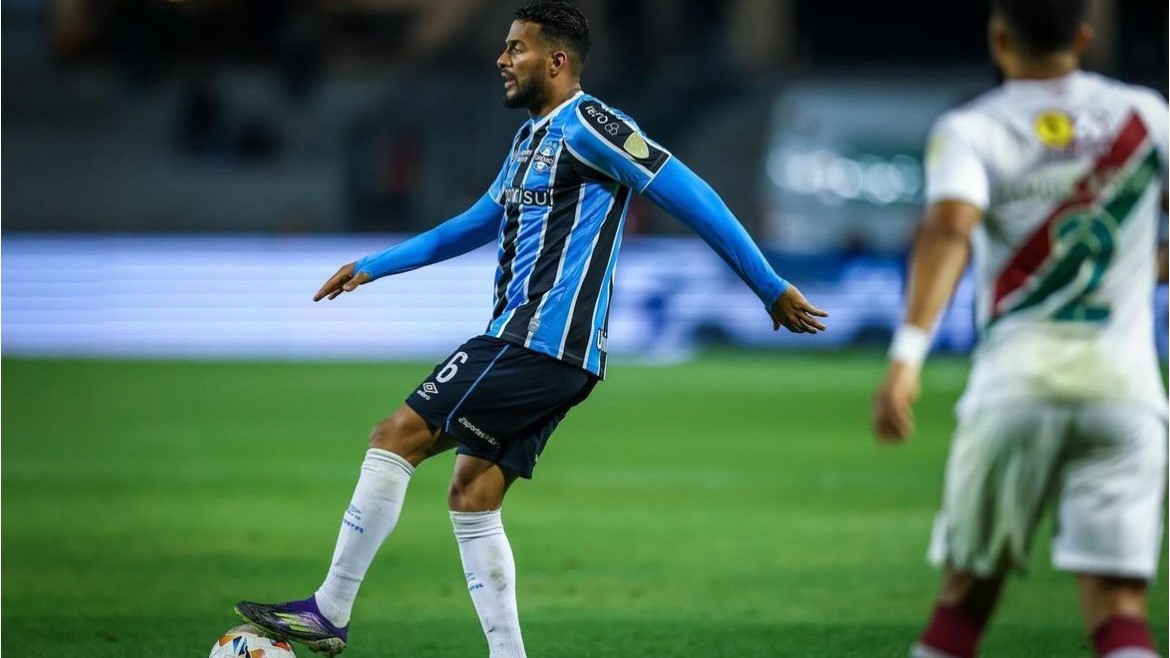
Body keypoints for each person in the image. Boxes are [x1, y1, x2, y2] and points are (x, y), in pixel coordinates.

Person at [236, 2, 828, 656]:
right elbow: (472, 225)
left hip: (537, 338)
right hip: (551, 352)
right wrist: (375, 266)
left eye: (515, 48)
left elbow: (691, 193)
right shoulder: (528, 140)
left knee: (395, 435)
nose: (501, 59)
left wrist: (768, 285)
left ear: (557, 60)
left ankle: (330, 609)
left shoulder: (595, 125)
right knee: (472, 494)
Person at [872, 1, 1168, 657]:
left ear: (998, 38)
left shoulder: (974, 127)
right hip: (1125, 390)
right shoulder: (1145, 117)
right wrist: (1143, 259)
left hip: (1017, 384)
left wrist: (907, 357)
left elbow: (950, 228)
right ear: (1085, 37)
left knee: (964, 605)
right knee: (1120, 611)